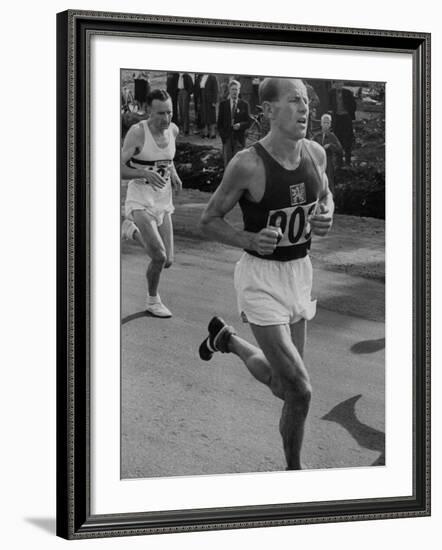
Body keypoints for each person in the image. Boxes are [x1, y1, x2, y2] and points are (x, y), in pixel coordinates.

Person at [199, 78, 334, 470]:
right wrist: (248, 238)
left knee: (284, 387)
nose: (305, 109)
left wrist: (327, 216)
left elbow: (325, 196)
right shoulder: (248, 163)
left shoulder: (316, 153)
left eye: (306, 101)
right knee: (301, 391)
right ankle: (294, 473)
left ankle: (229, 341)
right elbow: (208, 221)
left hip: (299, 274)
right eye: (294, 101)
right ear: (269, 111)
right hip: (260, 279)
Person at [121, 89, 183, 318]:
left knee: (167, 260)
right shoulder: (137, 133)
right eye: (160, 114)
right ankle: (152, 300)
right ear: (148, 111)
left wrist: (173, 174)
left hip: (163, 199)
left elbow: (168, 158)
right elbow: (117, 167)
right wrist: (144, 174)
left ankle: (131, 232)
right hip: (140, 199)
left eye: (170, 113)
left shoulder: (173, 130)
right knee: (158, 256)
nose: (166, 119)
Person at [217, 80, 251, 167]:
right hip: (227, 138)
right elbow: (219, 123)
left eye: (236, 89)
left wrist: (240, 125)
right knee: (227, 163)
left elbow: (248, 122)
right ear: (229, 90)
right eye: (232, 89)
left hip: (239, 139)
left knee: (238, 164)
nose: (234, 92)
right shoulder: (223, 105)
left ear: (239, 91)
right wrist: (223, 138)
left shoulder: (244, 104)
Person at [313, 113, 344, 192]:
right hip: (318, 162)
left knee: (329, 181)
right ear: (321, 123)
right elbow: (310, 147)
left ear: (330, 124)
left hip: (328, 162)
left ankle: (330, 198)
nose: (325, 125)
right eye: (324, 122)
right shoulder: (317, 136)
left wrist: (330, 146)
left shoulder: (332, 136)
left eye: (327, 123)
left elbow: (340, 149)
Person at [328, 80, 356, 165]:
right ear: (334, 84)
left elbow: (353, 105)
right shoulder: (331, 92)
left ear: (343, 83)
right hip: (336, 118)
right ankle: (339, 162)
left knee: (348, 139)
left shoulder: (348, 92)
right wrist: (331, 112)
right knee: (337, 138)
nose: (338, 85)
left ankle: (348, 161)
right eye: (336, 83)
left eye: (340, 83)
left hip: (346, 118)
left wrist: (349, 113)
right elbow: (329, 104)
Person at [197, 73, 219, 138]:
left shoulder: (212, 77)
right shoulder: (201, 77)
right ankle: (205, 133)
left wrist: (214, 101)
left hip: (210, 100)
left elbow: (216, 90)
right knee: (204, 117)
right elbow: (199, 89)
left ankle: (213, 133)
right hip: (203, 100)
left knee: (211, 117)